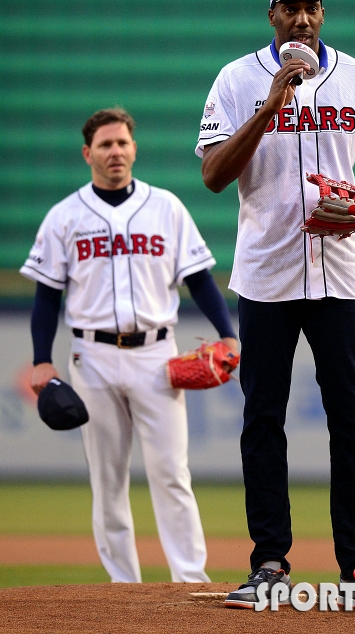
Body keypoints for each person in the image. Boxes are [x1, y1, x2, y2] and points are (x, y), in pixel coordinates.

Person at [196, 0, 355, 611]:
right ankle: (269, 562)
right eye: (292, 8)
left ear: (322, 13)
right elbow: (213, 175)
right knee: (262, 420)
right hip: (266, 274)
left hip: (341, 273)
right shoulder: (237, 79)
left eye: (313, 7)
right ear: (272, 16)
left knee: (353, 421)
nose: (304, 19)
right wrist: (271, 104)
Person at [21, 107, 238, 584]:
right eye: (105, 144)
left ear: (134, 149)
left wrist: (227, 332)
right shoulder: (65, 216)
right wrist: (41, 360)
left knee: (170, 472)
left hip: (157, 355)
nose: (115, 151)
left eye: (122, 143)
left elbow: (199, 280)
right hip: (92, 357)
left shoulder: (166, 208)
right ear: (87, 154)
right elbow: (46, 297)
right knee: (108, 479)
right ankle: (123, 586)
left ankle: (190, 578)